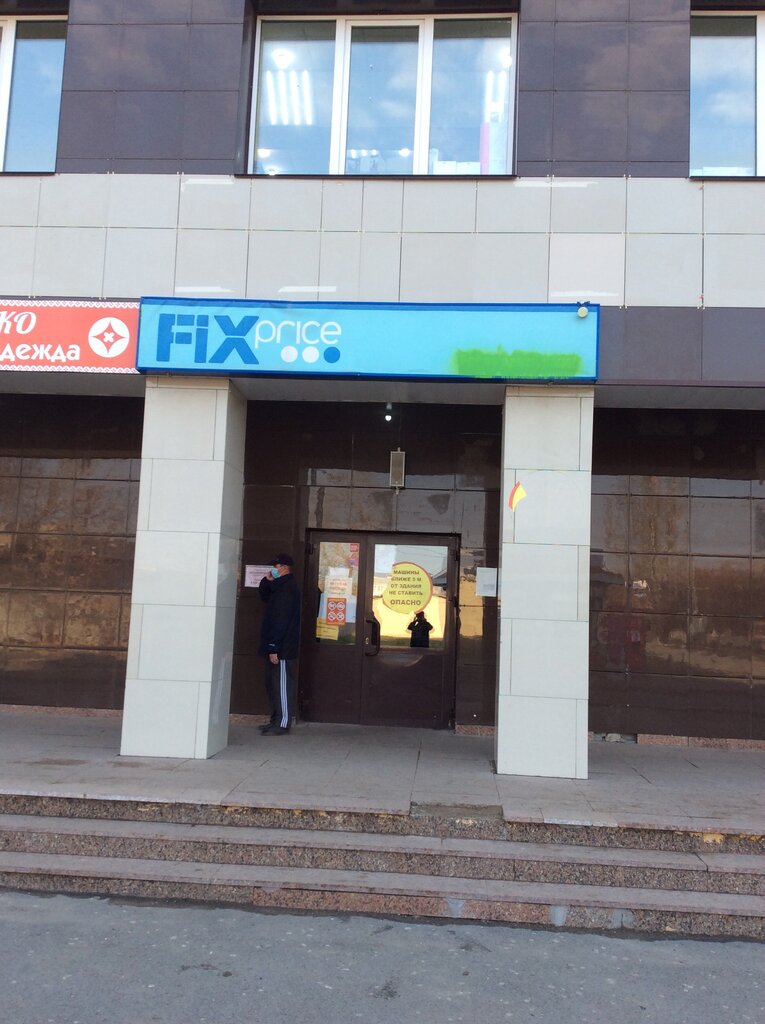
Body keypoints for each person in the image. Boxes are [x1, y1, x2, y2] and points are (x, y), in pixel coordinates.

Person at [257, 553, 301, 736]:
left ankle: (282, 723)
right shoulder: (280, 587)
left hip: (282, 648)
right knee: (273, 685)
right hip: (275, 646)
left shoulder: (287, 590)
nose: (272, 570)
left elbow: (281, 621)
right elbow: (265, 596)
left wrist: (275, 647)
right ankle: (275, 719)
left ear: (284, 567)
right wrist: (266, 581)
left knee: (282, 686)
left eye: (275, 567)